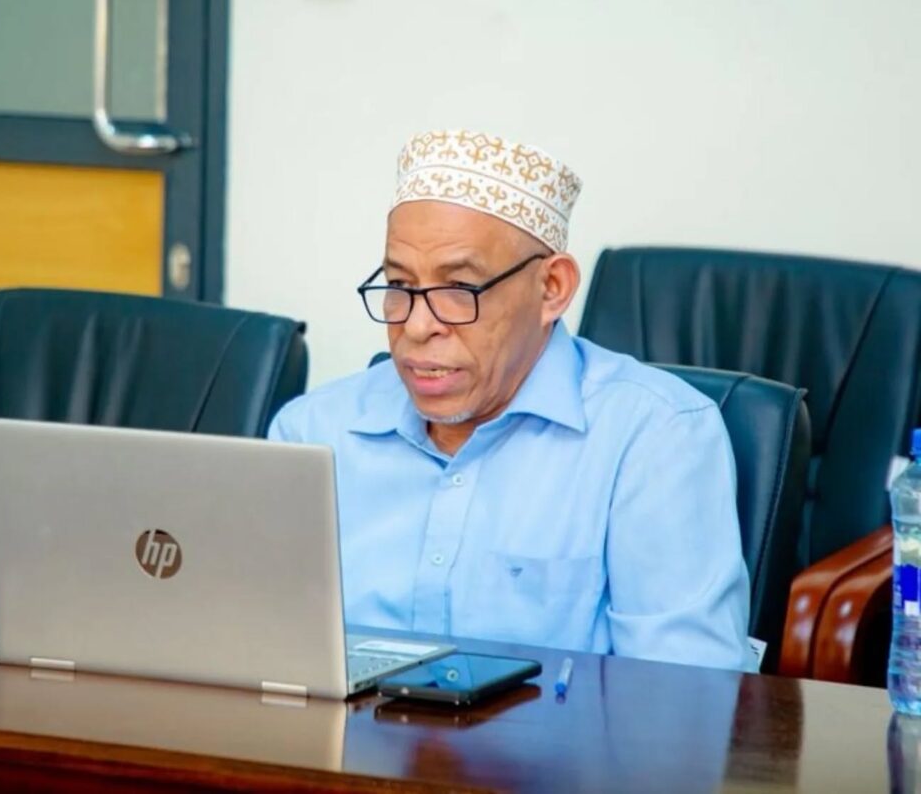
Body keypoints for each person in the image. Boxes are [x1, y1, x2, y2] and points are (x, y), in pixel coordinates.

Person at [269, 129, 752, 670]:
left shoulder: (655, 437)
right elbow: (260, 649)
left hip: (562, 730)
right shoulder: (313, 432)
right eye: (400, 286)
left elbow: (686, 693)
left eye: (459, 290)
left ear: (552, 288)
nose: (418, 326)